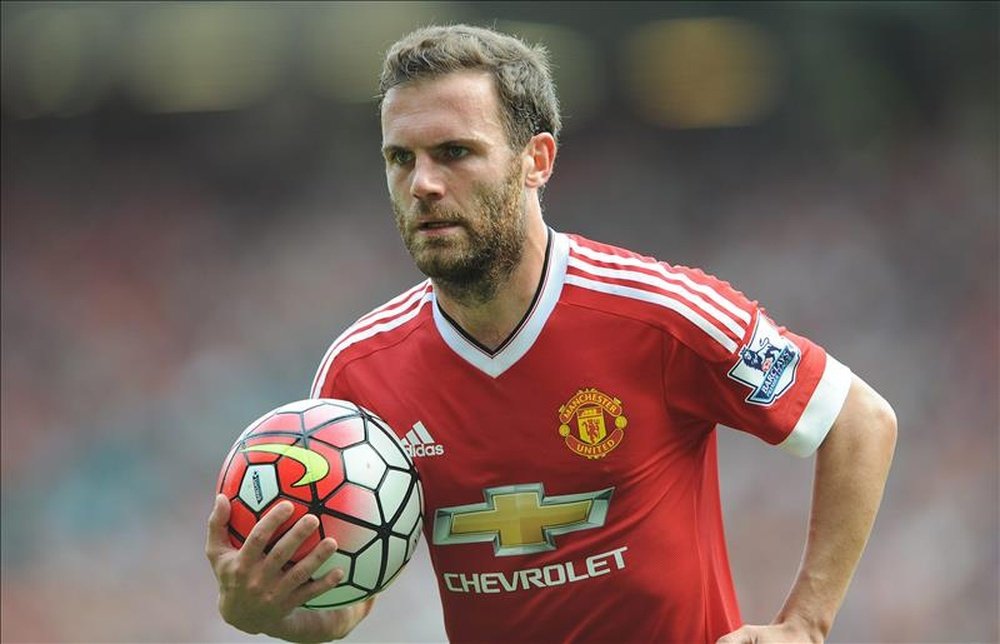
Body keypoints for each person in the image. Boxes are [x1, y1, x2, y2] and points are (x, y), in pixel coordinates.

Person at [205, 23, 897, 643]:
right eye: (400, 158)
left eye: (454, 151)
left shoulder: (661, 312)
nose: (423, 184)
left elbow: (859, 420)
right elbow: (349, 598)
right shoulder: (359, 372)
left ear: (537, 160)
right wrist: (267, 612)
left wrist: (805, 625)